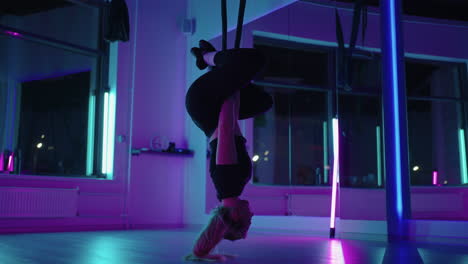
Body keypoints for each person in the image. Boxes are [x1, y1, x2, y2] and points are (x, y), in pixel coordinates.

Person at [185, 40, 272, 260]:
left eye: (248, 220)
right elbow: (232, 131)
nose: (252, 214)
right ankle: (222, 68)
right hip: (215, 107)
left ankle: (204, 56)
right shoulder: (234, 186)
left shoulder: (227, 182)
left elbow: (225, 129)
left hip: (204, 102)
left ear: (235, 215)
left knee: (252, 60)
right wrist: (235, 84)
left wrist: (231, 94)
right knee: (263, 101)